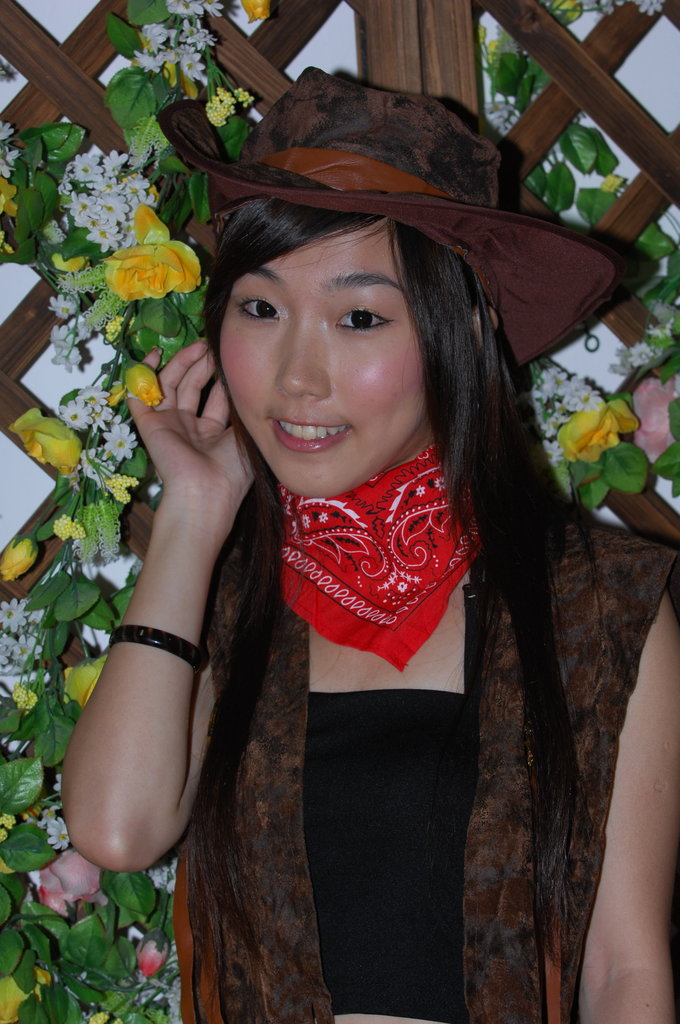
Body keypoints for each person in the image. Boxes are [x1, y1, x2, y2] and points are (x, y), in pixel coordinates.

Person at [62, 68, 680, 1024]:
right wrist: (193, 512)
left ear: (460, 331)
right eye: (261, 309)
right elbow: (116, 829)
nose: (297, 377)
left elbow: (623, 970)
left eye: (359, 318)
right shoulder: (229, 597)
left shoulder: (600, 604)